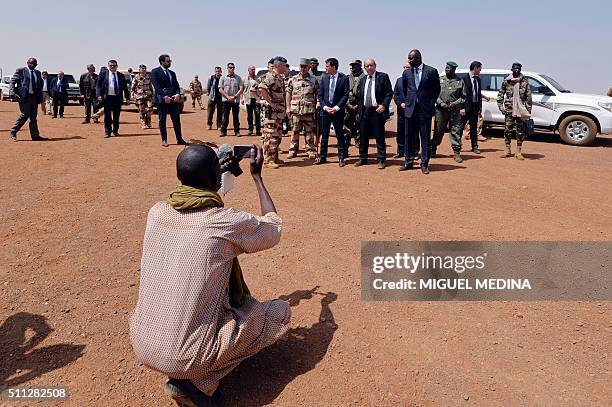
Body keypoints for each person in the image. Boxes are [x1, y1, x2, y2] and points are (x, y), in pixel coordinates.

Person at [129, 144, 289, 407]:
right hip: (184, 357)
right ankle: (195, 383)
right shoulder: (222, 222)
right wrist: (257, 178)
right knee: (279, 313)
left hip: (143, 342)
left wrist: (213, 177)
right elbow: (273, 227)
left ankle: (188, 375)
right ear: (215, 178)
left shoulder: (156, 212)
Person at [399, 49, 440, 174]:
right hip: (410, 109)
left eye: (411, 58)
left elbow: (436, 89)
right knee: (409, 136)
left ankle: (424, 163)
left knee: (425, 137)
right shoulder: (407, 73)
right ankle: (409, 161)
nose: (409, 61)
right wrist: (409, 102)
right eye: (408, 58)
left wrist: (429, 102)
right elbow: (406, 90)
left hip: (424, 110)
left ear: (418, 58)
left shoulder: (431, 71)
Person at [354, 59, 393, 169]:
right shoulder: (362, 80)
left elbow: (389, 93)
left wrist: (384, 105)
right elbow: (359, 97)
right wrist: (359, 112)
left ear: (375, 66)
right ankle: (363, 158)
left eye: (371, 65)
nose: (369, 68)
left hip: (377, 111)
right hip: (365, 111)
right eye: (367, 66)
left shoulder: (383, 77)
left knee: (379, 136)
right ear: (364, 68)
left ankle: (381, 159)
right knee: (363, 136)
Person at [316, 58, 350, 166]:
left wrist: (336, 107)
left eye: (327, 66)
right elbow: (320, 95)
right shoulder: (324, 78)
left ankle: (341, 157)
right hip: (325, 111)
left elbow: (345, 95)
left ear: (333, 67)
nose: (325, 68)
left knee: (339, 135)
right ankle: (322, 157)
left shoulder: (343, 78)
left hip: (337, 112)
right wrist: (325, 107)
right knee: (324, 135)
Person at [431, 61, 466, 163]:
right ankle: (433, 149)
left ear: (454, 69)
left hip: (454, 111)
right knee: (438, 130)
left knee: (456, 131)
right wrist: (441, 103)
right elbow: (434, 93)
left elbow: (463, 97)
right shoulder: (440, 80)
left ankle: (456, 152)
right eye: (446, 67)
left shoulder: (460, 81)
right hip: (441, 110)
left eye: (449, 68)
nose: (446, 69)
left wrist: (454, 104)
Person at [258, 56, 289, 169]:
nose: (286, 67)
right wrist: (270, 103)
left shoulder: (279, 78)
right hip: (271, 114)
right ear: (278, 65)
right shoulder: (270, 76)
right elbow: (262, 88)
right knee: (270, 137)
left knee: (277, 136)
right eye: (284, 65)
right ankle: (268, 160)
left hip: (279, 113)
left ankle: (274, 157)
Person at [497, 62, 532, 160]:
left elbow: (528, 98)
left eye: (518, 69)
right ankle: (507, 150)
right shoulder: (506, 81)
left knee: (520, 132)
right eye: (515, 68)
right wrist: (501, 107)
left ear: (520, 70)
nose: (517, 70)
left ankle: (518, 151)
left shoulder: (524, 82)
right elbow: (500, 95)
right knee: (508, 130)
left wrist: (527, 111)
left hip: (520, 110)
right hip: (509, 110)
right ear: (511, 70)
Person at [286, 58, 319, 160]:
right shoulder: (293, 79)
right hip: (296, 110)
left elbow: (317, 94)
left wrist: (317, 102)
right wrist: (288, 107)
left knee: (309, 132)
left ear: (309, 67)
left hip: (308, 110)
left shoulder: (313, 80)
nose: (303, 68)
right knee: (295, 131)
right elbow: (288, 93)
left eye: (305, 66)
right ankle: (293, 150)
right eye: (301, 66)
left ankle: (311, 150)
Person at [151, 54, 187, 147]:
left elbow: (176, 85)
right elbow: (157, 86)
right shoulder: (155, 72)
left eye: (170, 61)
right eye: (168, 61)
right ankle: (164, 140)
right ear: (162, 62)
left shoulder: (172, 73)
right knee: (162, 120)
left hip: (173, 100)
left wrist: (178, 94)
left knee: (176, 120)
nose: (170, 62)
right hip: (162, 100)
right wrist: (164, 97)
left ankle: (179, 139)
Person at [9, 58, 47, 141]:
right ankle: (13, 131)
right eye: (31, 63)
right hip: (24, 97)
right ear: (27, 63)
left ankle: (35, 136)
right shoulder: (21, 70)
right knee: (24, 115)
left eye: (34, 64)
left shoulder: (37, 72)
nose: (32, 65)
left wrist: (40, 97)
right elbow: (12, 81)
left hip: (34, 97)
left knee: (33, 117)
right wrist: (12, 92)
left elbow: (40, 84)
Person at [96, 59, 129, 138]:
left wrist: (127, 98)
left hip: (117, 98)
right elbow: (98, 86)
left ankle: (115, 131)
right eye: (110, 65)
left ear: (117, 66)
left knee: (116, 115)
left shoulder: (121, 75)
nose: (112, 67)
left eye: (114, 65)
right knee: (107, 115)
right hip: (107, 98)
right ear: (108, 66)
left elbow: (125, 88)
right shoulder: (103, 74)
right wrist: (99, 95)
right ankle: (107, 132)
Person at [462, 61, 490, 146]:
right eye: (479, 69)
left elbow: (478, 93)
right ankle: (457, 146)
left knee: (474, 127)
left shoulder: (478, 79)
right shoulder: (464, 79)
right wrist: (462, 107)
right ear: (475, 68)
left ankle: (474, 146)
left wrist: (479, 107)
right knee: (460, 127)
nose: (480, 71)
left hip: (474, 107)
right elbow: (461, 94)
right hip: (466, 107)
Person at [344, 59, 366, 151]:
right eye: (352, 65)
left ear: (359, 66)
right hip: (348, 105)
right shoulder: (348, 77)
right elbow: (343, 92)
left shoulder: (365, 77)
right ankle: (346, 144)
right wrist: (347, 104)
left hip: (359, 106)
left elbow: (366, 94)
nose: (352, 67)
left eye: (355, 65)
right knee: (346, 125)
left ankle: (359, 142)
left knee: (359, 126)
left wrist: (358, 106)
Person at [218, 62, 243, 137]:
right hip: (226, 100)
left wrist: (234, 97)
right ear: (227, 68)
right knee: (225, 116)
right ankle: (223, 131)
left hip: (235, 100)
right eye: (230, 67)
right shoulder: (223, 78)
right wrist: (228, 97)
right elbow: (220, 89)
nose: (231, 69)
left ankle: (237, 131)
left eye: (233, 67)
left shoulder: (238, 78)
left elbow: (241, 89)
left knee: (236, 117)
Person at [393, 62, 411, 158]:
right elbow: (395, 95)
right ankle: (400, 151)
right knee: (400, 131)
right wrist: (400, 104)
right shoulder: (399, 80)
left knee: (412, 132)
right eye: (404, 67)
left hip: (412, 111)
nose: (405, 69)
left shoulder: (415, 80)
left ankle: (414, 151)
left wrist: (409, 104)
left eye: (407, 67)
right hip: (401, 111)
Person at [131, 64, 154, 129]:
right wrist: (132, 95)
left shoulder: (148, 77)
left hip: (148, 95)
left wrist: (152, 94)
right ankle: (143, 123)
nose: (143, 70)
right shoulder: (136, 77)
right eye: (142, 68)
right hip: (139, 96)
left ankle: (148, 121)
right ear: (139, 70)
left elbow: (151, 86)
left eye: (144, 68)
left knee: (150, 108)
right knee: (142, 110)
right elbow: (133, 87)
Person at [242, 65, 261, 136]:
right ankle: (250, 130)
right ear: (248, 70)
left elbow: (261, 89)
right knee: (249, 116)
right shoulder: (244, 79)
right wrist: (242, 98)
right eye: (252, 69)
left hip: (256, 100)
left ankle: (258, 130)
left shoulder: (258, 79)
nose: (253, 71)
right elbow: (242, 89)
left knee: (258, 115)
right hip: (248, 99)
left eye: (254, 69)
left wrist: (259, 97)